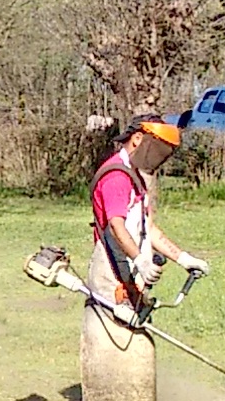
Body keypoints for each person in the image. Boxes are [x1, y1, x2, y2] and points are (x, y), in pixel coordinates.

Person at [89, 116, 209, 325]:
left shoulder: (134, 176)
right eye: (157, 150)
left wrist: (183, 258)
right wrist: (140, 260)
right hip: (112, 277)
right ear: (137, 139)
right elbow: (116, 226)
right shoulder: (117, 177)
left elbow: (148, 229)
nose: (159, 159)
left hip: (130, 275)